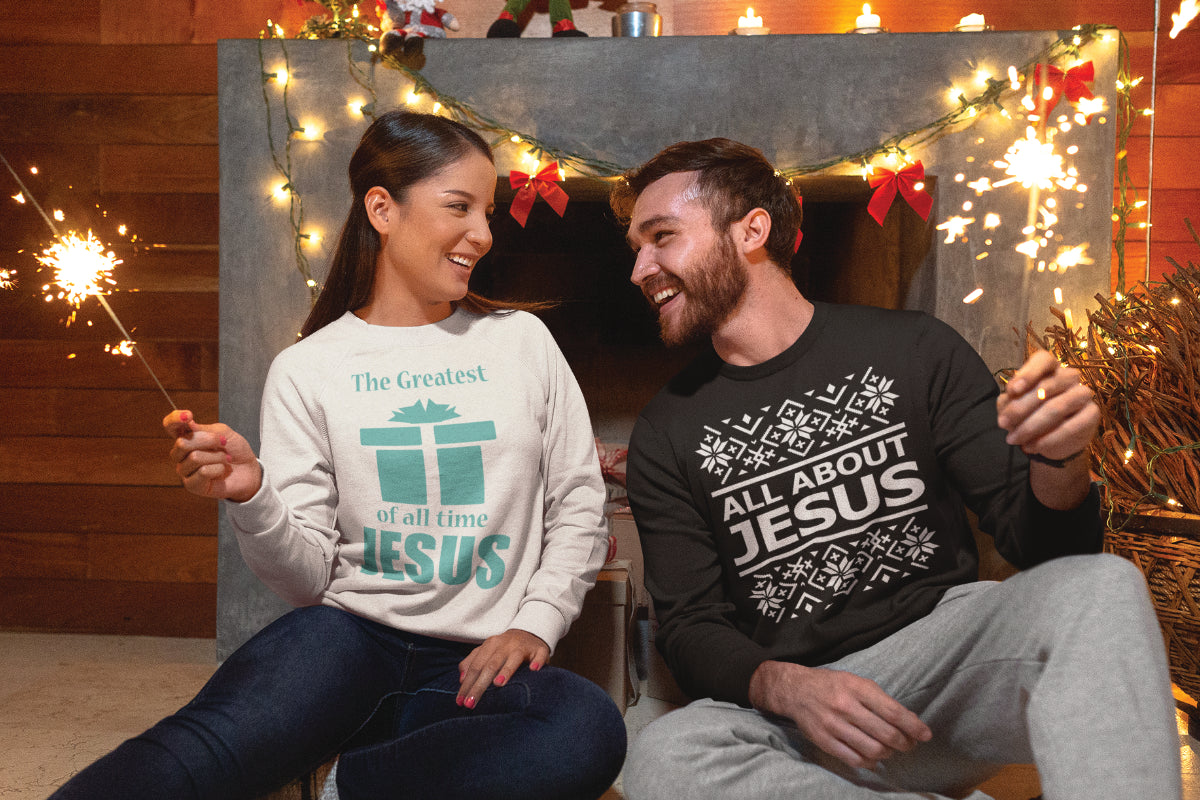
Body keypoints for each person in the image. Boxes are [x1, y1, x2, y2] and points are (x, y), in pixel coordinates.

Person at [50, 111, 626, 800]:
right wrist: (252, 494)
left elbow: (580, 502)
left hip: (476, 667)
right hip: (344, 644)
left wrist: (537, 620)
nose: (483, 233)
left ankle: (345, 781)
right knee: (208, 742)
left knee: (585, 728)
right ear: (383, 209)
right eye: (459, 206)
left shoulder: (522, 341)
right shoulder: (307, 368)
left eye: (488, 210)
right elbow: (305, 578)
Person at [609, 137, 1180, 800]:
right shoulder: (667, 431)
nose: (639, 268)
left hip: (946, 669)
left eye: (662, 236)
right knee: (659, 757)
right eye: (637, 248)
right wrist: (790, 686)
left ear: (751, 230)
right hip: (804, 716)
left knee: (1100, 584)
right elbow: (689, 628)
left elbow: (1052, 551)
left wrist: (1060, 460)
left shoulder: (912, 349)